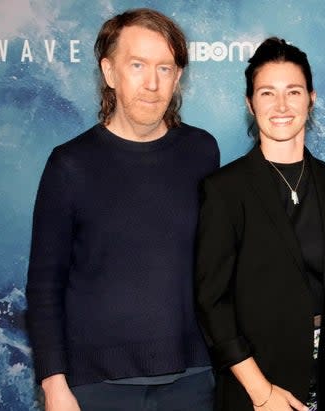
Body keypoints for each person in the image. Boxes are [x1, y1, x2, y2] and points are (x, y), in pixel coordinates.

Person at [25, 8, 219, 411]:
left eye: (165, 68)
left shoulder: (202, 151)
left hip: (193, 382)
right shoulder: (69, 164)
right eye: (137, 65)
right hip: (95, 388)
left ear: (178, 76)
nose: (152, 83)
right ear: (110, 72)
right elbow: (44, 287)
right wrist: (55, 387)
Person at [195, 37, 325, 411]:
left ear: (312, 97)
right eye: (266, 93)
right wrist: (262, 393)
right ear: (250, 103)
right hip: (257, 390)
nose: (281, 106)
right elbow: (212, 302)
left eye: (293, 91)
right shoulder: (225, 189)